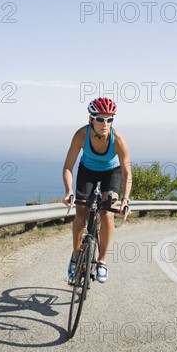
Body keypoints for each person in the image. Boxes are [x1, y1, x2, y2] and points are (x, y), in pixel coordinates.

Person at [62, 97, 132, 283]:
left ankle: (102, 261)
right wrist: (69, 191)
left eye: (110, 119)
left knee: (107, 213)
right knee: (81, 212)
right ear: (91, 118)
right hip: (87, 171)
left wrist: (126, 200)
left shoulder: (118, 140)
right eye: (100, 119)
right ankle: (76, 257)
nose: (105, 124)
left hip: (111, 172)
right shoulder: (80, 135)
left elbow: (127, 172)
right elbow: (68, 167)